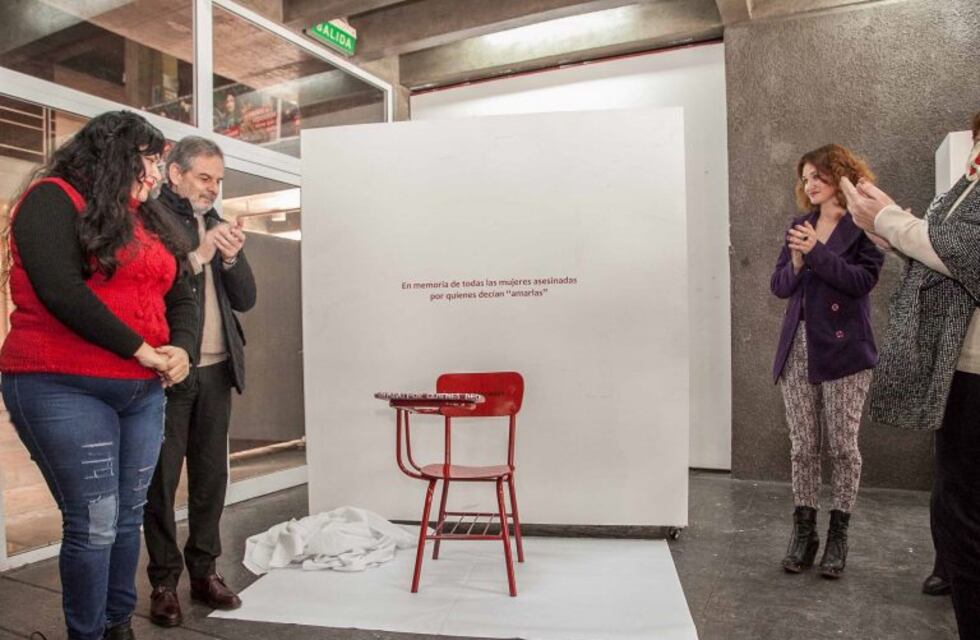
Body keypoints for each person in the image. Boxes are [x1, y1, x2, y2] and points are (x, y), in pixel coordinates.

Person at [0, 110, 197, 640]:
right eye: (149, 159)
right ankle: (87, 634)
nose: (155, 173)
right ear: (116, 156)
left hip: (141, 390)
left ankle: (117, 627)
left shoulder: (148, 216)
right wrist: (141, 349)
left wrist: (180, 348)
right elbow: (61, 289)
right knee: (94, 523)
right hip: (60, 381)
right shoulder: (50, 199)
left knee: (127, 518)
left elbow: (180, 290)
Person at [844, 110, 980, 638]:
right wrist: (893, 234)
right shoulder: (967, 186)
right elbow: (946, 255)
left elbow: (969, 255)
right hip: (960, 369)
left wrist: (892, 223)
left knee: (964, 518)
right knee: (956, 512)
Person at [143, 136, 256, 627]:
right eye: (204, 178)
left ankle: (205, 573)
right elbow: (153, 287)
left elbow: (246, 299)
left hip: (216, 372)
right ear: (175, 174)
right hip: (168, 373)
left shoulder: (215, 221)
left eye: (218, 180)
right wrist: (200, 254)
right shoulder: (150, 220)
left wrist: (230, 258)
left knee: (211, 480)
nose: (213, 188)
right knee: (160, 483)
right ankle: (164, 582)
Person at [770, 144, 884, 578]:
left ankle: (838, 535)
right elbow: (780, 286)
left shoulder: (863, 227)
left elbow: (861, 282)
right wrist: (798, 261)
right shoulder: (800, 224)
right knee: (802, 446)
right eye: (805, 177)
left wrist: (817, 251)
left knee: (841, 446)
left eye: (817, 175)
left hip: (844, 350)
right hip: (797, 345)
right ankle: (804, 533)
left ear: (841, 175)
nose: (809, 184)